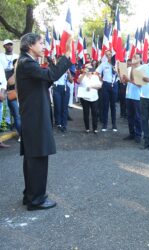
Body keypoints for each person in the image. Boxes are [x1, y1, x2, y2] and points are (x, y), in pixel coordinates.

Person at [16, 33, 73, 211]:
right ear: (30, 45)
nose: (43, 46)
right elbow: (52, 75)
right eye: (41, 43)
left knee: (33, 158)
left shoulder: (27, 62)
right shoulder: (27, 63)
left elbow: (44, 81)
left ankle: (31, 195)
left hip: (33, 117)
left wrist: (52, 62)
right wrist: (67, 55)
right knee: (38, 158)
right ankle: (36, 200)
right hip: (35, 118)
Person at [96, 50, 118, 132]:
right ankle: (104, 124)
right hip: (105, 85)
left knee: (113, 106)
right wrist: (101, 79)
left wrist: (116, 71)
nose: (109, 56)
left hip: (114, 85)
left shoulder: (117, 64)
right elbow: (97, 72)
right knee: (105, 105)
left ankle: (114, 125)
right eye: (107, 55)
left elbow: (122, 75)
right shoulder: (103, 64)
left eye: (110, 55)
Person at [123, 53, 142, 143]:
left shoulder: (142, 69)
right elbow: (123, 81)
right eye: (133, 57)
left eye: (136, 57)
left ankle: (138, 135)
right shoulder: (129, 68)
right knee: (130, 116)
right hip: (129, 95)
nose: (134, 58)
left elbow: (139, 84)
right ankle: (132, 133)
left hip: (138, 97)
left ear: (140, 59)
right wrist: (120, 73)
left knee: (138, 117)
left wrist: (128, 80)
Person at [77, 64, 99, 133]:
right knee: (86, 113)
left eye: (90, 68)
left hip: (94, 97)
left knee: (95, 113)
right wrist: (83, 73)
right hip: (85, 97)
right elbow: (78, 81)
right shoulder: (81, 76)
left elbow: (99, 86)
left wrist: (92, 86)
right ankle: (87, 128)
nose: (88, 70)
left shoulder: (95, 77)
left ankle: (95, 128)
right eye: (87, 68)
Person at [52, 63, 72, 132]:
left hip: (65, 89)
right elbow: (52, 78)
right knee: (58, 106)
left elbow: (71, 81)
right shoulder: (55, 69)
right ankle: (58, 123)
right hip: (57, 88)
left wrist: (69, 73)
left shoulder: (67, 70)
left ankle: (64, 124)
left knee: (64, 107)